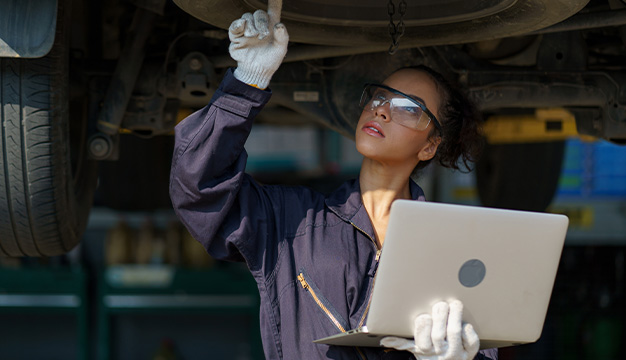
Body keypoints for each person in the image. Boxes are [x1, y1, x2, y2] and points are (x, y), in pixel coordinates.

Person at [169, 2, 498, 359]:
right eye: (380, 96)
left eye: (409, 108)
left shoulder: (449, 250)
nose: (382, 109)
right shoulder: (291, 222)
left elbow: (482, 341)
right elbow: (198, 187)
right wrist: (246, 82)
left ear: (430, 146)